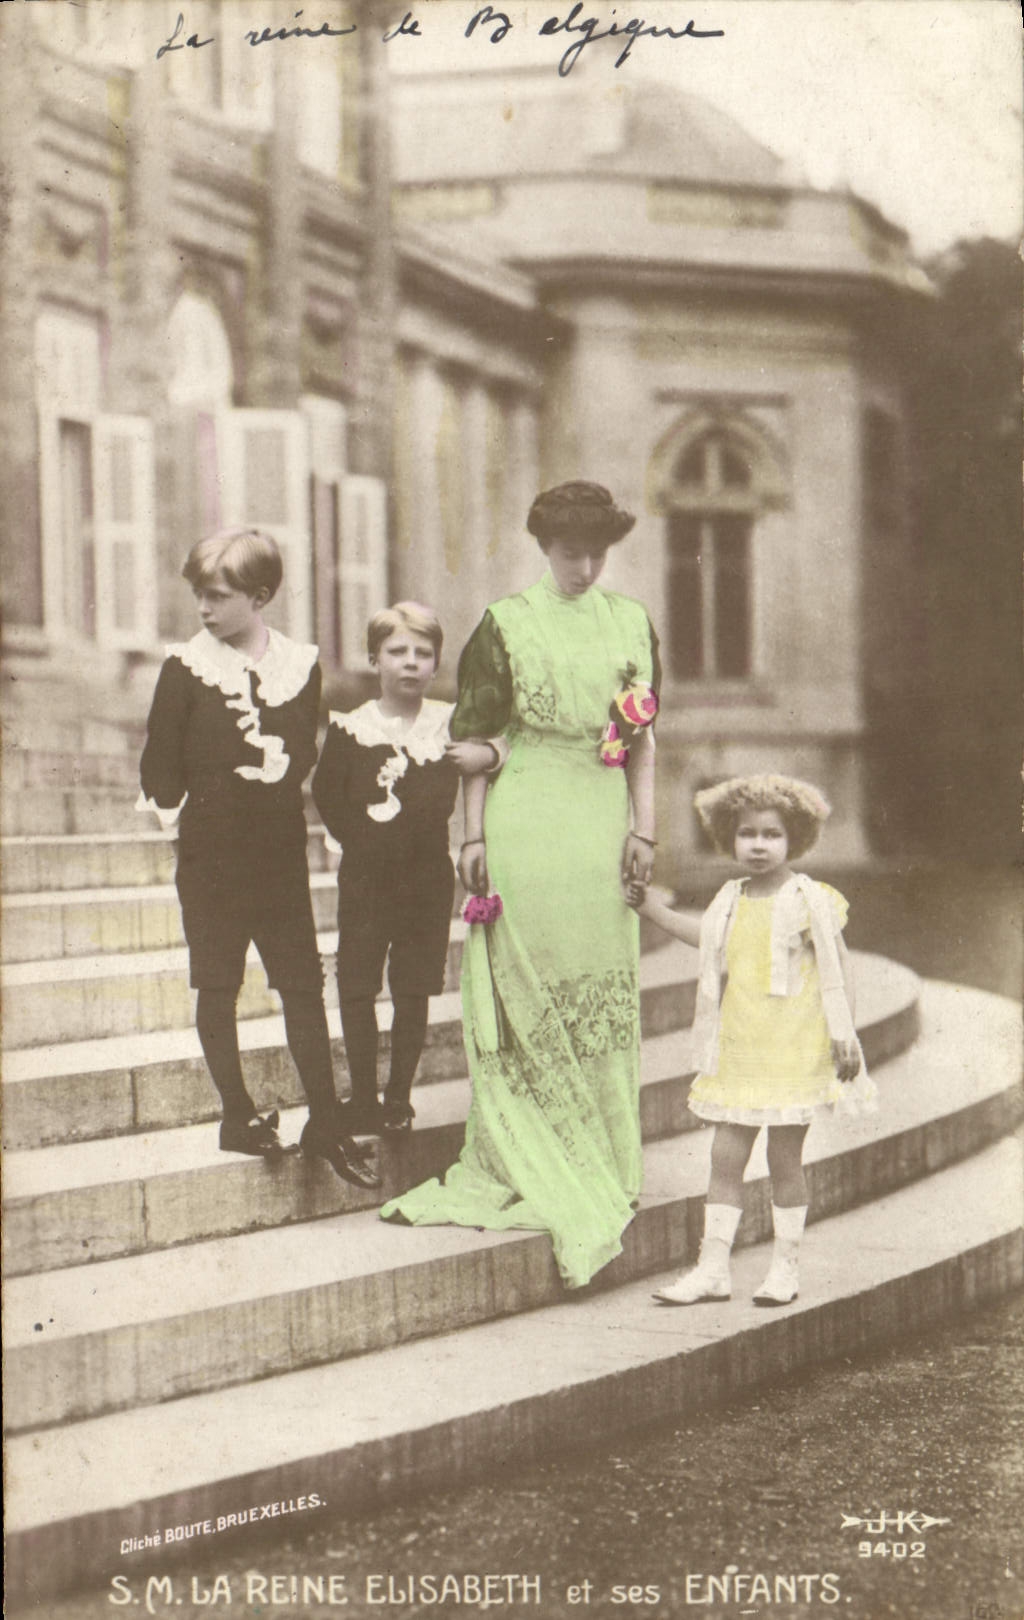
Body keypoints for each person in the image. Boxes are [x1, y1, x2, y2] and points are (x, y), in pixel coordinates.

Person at [380, 481, 660, 1289]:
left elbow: (643, 739)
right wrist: (470, 836)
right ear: (544, 546)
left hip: (598, 819)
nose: (585, 567)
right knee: (530, 982)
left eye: (597, 553)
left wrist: (643, 829)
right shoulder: (506, 623)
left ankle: (601, 1153)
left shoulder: (631, 621)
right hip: (526, 814)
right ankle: (528, 1152)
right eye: (571, 552)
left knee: (598, 985)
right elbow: (478, 738)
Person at [138, 527, 380, 1189]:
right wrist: (188, 815)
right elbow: (160, 762)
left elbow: (302, 748)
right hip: (211, 852)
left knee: (301, 982)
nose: (204, 608)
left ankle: (325, 1120)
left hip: (277, 851)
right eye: (199, 594)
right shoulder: (184, 667)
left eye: (218, 596)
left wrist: (273, 769)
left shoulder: (298, 665)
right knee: (217, 982)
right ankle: (237, 1114)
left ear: (261, 596)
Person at [626, 773, 877, 1307]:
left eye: (771, 834)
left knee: (784, 1159)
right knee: (725, 1157)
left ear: (794, 839)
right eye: (747, 834)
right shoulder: (730, 898)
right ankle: (712, 1268)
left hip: (793, 1048)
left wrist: (845, 1032)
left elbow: (839, 967)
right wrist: (650, 908)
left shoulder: (810, 898)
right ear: (728, 837)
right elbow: (706, 939)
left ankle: (785, 1268)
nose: (758, 845)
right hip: (741, 1047)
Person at [312, 603, 495, 1134]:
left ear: (436, 663)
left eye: (423, 653)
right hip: (366, 878)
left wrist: (489, 754)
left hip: (425, 880)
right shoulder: (351, 727)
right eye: (397, 651)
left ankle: (397, 1097)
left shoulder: (448, 722)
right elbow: (327, 793)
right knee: (357, 983)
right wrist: (361, 840)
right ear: (374, 659)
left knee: (414, 988)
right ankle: (362, 1096)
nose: (410, 662)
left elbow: (497, 748)